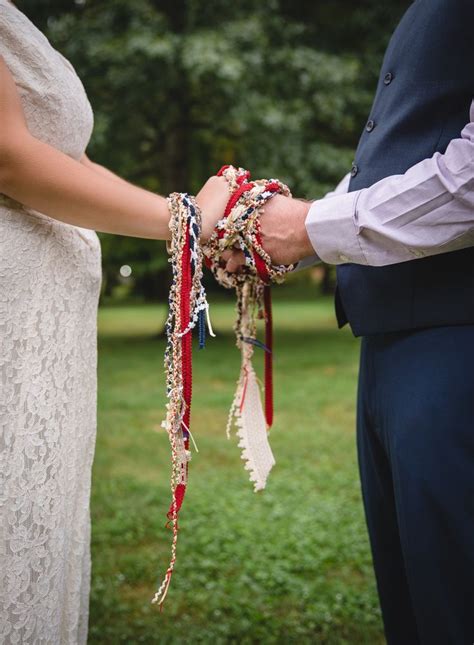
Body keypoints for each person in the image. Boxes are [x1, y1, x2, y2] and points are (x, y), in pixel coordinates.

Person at [224, 1, 474, 643]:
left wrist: (307, 227)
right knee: (415, 603)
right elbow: (403, 155)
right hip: (393, 342)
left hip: (457, 343)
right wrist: (277, 232)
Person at [0, 2, 229, 643]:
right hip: (10, 323)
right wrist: (188, 219)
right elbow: (8, 157)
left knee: (39, 521)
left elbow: (68, 159)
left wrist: (184, 219)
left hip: (46, 334)